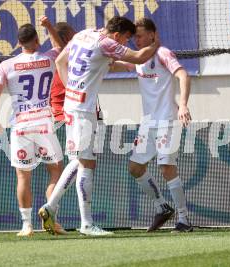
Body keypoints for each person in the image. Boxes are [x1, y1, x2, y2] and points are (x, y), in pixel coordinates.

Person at [38, 16, 160, 236]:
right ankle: (86, 223)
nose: (125, 43)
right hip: (83, 109)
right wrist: (155, 43)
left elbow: (60, 62)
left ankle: (51, 206)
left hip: (72, 105)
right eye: (126, 39)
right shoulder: (107, 43)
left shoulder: (82, 34)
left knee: (79, 161)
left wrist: (71, 89)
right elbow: (139, 57)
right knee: (87, 164)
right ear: (117, 35)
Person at [0, 16, 66, 237]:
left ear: (18, 42)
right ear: (37, 41)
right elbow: (60, 47)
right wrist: (49, 26)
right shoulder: (48, 58)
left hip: (20, 126)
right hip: (43, 123)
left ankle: (26, 225)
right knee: (56, 172)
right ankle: (51, 215)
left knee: (23, 177)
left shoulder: (6, 65)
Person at [121, 18, 193, 232]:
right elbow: (116, 63)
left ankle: (184, 220)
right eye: (135, 37)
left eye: (141, 35)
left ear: (153, 35)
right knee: (135, 168)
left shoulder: (163, 53)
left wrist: (183, 105)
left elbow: (183, 75)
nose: (137, 40)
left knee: (166, 167)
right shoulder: (138, 58)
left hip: (167, 121)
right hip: (148, 124)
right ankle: (162, 206)